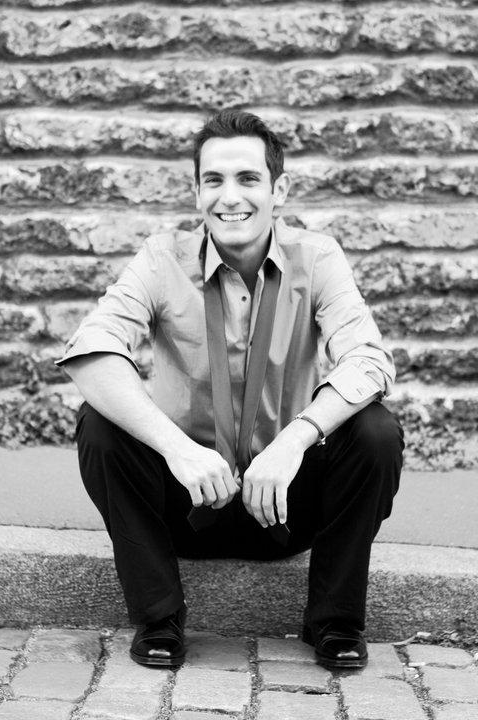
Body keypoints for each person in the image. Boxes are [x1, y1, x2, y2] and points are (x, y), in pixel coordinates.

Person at [56, 109, 404, 671]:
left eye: (248, 178)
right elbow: (91, 350)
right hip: (187, 500)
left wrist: (294, 442)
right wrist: (178, 449)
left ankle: (335, 622)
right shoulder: (162, 257)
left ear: (278, 190)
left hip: (284, 504)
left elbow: (368, 358)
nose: (230, 196)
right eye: (213, 180)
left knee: (376, 431)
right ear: (197, 192)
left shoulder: (317, 257)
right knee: (99, 423)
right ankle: (158, 619)